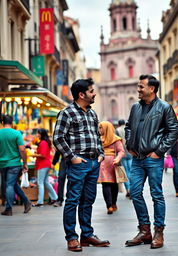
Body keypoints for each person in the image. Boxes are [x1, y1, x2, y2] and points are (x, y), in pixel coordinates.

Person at [53, 78, 110, 252]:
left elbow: (96, 136)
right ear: (81, 94)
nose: (94, 94)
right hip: (78, 163)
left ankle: (87, 234)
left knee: (88, 200)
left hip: (93, 163)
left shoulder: (92, 114)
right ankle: (71, 237)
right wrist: (72, 157)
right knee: (73, 200)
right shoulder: (67, 112)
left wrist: (101, 154)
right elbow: (58, 138)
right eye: (91, 91)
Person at [124, 74, 178, 249]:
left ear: (152, 89)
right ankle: (144, 230)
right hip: (137, 159)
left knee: (156, 194)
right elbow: (128, 127)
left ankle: (159, 232)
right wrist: (129, 144)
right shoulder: (135, 107)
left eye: (141, 87)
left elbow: (173, 131)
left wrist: (158, 152)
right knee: (135, 192)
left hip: (153, 159)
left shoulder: (164, 107)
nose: (138, 90)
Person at [0, 115, 31, 216]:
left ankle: (9, 209)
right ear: (12, 122)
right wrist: (25, 163)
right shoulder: (16, 133)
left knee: (8, 184)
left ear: (2, 122)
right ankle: (26, 202)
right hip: (14, 164)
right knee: (11, 184)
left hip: (2, 164)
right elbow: (22, 149)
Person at [98, 121, 125, 214]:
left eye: (101, 127)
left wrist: (117, 159)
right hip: (102, 164)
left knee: (114, 185)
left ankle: (114, 203)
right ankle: (109, 205)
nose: (99, 130)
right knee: (105, 184)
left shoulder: (116, 139)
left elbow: (121, 151)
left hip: (113, 164)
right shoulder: (98, 139)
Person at [31, 128, 58, 207]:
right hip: (46, 164)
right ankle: (55, 197)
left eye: (38, 133)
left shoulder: (43, 142)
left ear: (42, 134)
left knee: (40, 183)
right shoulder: (46, 142)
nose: (37, 135)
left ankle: (40, 202)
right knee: (45, 182)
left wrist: (33, 155)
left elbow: (42, 155)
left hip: (42, 165)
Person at [116, 119, 132, 197]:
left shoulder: (117, 130)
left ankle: (128, 189)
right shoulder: (129, 130)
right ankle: (132, 188)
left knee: (125, 172)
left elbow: (117, 143)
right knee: (131, 171)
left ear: (119, 124)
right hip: (130, 153)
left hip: (122, 153)